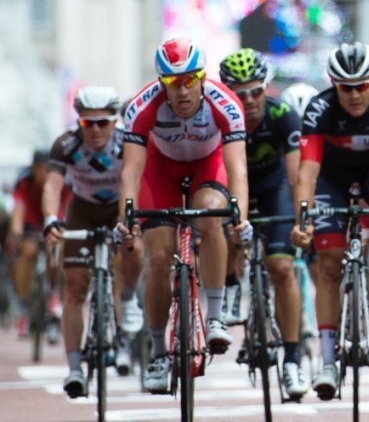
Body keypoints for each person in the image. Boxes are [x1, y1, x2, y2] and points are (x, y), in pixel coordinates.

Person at [119, 38, 250, 394]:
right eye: (173, 82)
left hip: (209, 165)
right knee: (159, 257)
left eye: (191, 79)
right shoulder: (141, 106)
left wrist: (240, 217)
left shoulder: (225, 102)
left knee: (211, 214)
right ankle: (159, 353)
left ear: (203, 77)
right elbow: (130, 172)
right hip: (160, 171)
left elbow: (237, 167)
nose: (183, 89)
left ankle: (218, 314)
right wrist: (126, 220)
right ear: (161, 82)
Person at [288, 41, 369, 400]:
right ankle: (326, 361)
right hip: (330, 180)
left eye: (362, 86)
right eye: (345, 87)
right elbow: (306, 172)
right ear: (333, 85)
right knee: (329, 266)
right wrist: (303, 220)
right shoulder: (320, 108)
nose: (354, 94)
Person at [219, 48, 308, 398]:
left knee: (282, 268)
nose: (251, 100)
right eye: (241, 95)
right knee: (219, 228)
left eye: (257, 90)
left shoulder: (284, 116)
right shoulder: (218, 118)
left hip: (273, 190)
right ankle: (228, 284)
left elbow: (296, 176)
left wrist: (302, 220)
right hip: (229, 188)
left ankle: (293, 360)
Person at [43, 86, 143, 397]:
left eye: (103, 122)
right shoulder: (66, 144)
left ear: (115, 121)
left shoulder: (129, 142)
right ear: (79, 122)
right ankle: (75, 369)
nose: (96, 129)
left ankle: (126, 304)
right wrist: (50, 219)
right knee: (74, 288)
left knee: (132, 251)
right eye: (88, 123)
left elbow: (138, 179)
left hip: (118, 208)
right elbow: (52, 186)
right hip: (82, 211)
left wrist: (132, 220)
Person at [8, 149, 69, 339]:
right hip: (31, 223)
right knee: (27, 250)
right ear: (33, 168)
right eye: (40, 168)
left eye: (47, 169)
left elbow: (68, 208)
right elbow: (18, 210)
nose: (43, 173)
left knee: (55, 248)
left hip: (54, 220)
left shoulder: (62, 181)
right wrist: (16, 234)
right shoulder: (24, 181)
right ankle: (23, 305)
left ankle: (53, 292)